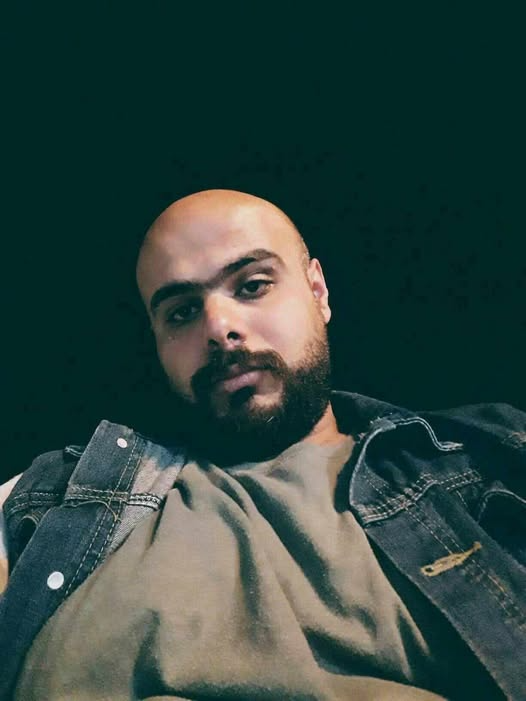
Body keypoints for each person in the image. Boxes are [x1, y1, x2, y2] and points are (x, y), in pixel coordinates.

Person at [0, 189, 525, 700]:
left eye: (252, 286)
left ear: (318, 292)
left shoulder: (487, 458)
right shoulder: (57, 492)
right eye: (181, 312)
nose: (219, 328)